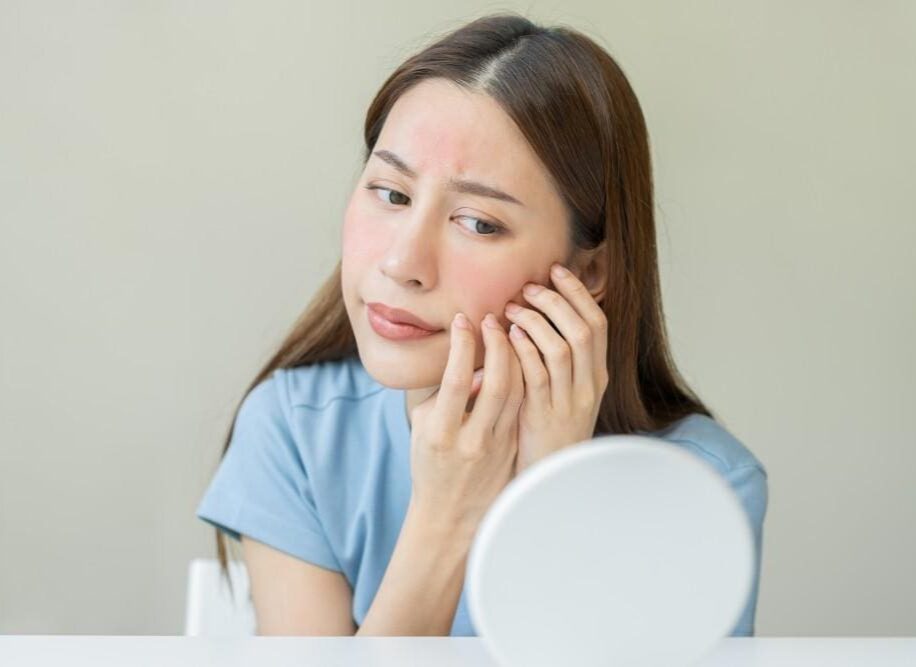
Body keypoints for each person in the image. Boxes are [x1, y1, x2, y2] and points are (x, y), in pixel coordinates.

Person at [196, 11, 768, 638]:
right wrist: (443, 520)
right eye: (391, 194)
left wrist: (550, 490)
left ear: (590, 271)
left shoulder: (700, 489)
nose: (402, 262)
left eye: (479, 223)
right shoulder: (298, 432)